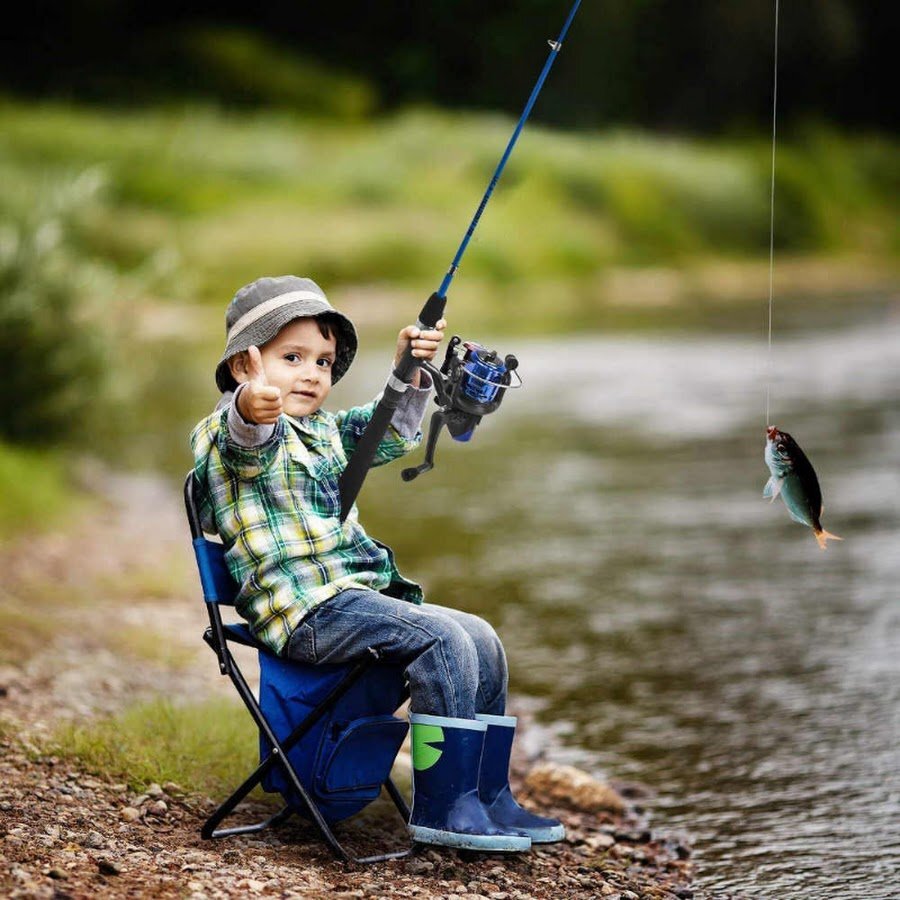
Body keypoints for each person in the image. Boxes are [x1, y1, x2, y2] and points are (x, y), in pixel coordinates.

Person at [190, 275, 563, 851]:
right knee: (441, 639)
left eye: (323, 361)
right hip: (305, 614)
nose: (312, 373)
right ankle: (445, 807)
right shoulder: (231, 432)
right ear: (245, 365)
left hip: (350, 601)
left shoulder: (324, 431)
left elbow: (393, 428)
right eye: (291, 357)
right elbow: (243, 433)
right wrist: (248, 406)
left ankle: (487, 797)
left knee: (480, 636)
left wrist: (408, 368)